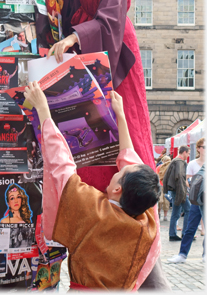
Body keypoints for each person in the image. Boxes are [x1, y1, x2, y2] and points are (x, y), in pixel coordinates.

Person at [46, 0, 155, 195]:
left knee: (117, 114)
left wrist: (73, 38)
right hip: (87, 42)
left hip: (114, 46)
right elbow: (76, 2)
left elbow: (108, 25)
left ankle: (121, 187)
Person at [24, 81, 171, 291]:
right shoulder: (148, 222)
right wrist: (120, 116)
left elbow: (61, 167)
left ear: (117, 189)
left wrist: (43, 110)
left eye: (120, 172)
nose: (119, 167)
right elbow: (132, 162)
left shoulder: (93, 210)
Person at [168, 138, 205, 263]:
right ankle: (182, 254)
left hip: (200, 198)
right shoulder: (192, 163)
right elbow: (186, 180)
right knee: (190, 226)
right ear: (199, 148)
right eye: (204, 147)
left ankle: (205, 255)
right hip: (195, 199)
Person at [163, 145, 191, 241]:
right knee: (188, 210)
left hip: (176, 191)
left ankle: (173, 234)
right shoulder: (179, 162)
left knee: (176, 213)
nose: (188, 155)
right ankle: (185, 233)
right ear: (184, 152)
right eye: (188, 153)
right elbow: (179, 177)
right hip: (179, 191)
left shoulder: (175, 161)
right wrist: (182, 192)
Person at [156, 155, 171, 221]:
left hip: (166, 186)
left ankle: (165, 215)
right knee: (160, 200)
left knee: (166, 201)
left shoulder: (170, 168)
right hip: (160, 185)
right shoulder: (159, 167)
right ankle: (158, 213)